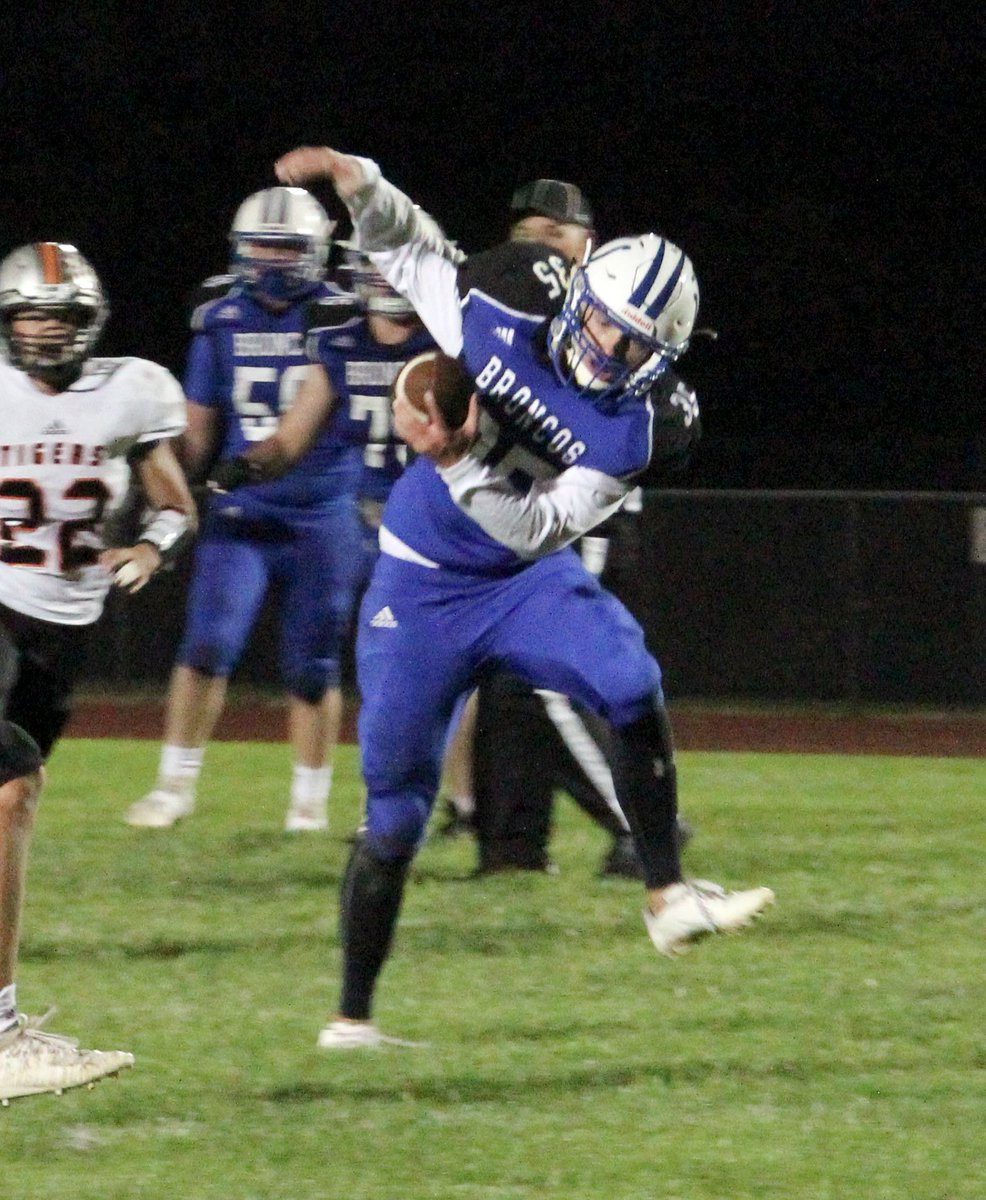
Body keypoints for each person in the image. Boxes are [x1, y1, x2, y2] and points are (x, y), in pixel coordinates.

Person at [275, 145, 774, 1049]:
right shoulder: (508, 301)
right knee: (394, 818)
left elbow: (539, 530)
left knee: (630, 683)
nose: (611, 351)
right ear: (577, 293)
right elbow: (415, 256)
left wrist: (458, 458)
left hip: (524, 573)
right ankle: (352, 1018)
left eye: (637, 346)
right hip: (422, 582)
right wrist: (363, 183)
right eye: (608, 326)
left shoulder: (643, 424)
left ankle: (665, 894)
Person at [0, 239, 196, 1096]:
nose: (43, 331)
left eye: (58, 316)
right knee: (9, 792)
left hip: (62, 632)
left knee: (17, 797)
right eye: (28, 316)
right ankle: (3, 1037)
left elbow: (176, 505)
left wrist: (152, 549)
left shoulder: (132, 391)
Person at [125, 187, 360, 832]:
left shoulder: (343, 315)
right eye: (263, 244)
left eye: (288, 247)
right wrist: (165, 477)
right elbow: (198, 428)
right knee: (207, 642)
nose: (274, 260)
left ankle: (308, 804)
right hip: (242, 510)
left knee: (313, 665)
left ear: (316, 253)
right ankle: (174, 786)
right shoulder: (219, 316)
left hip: (322, 510)